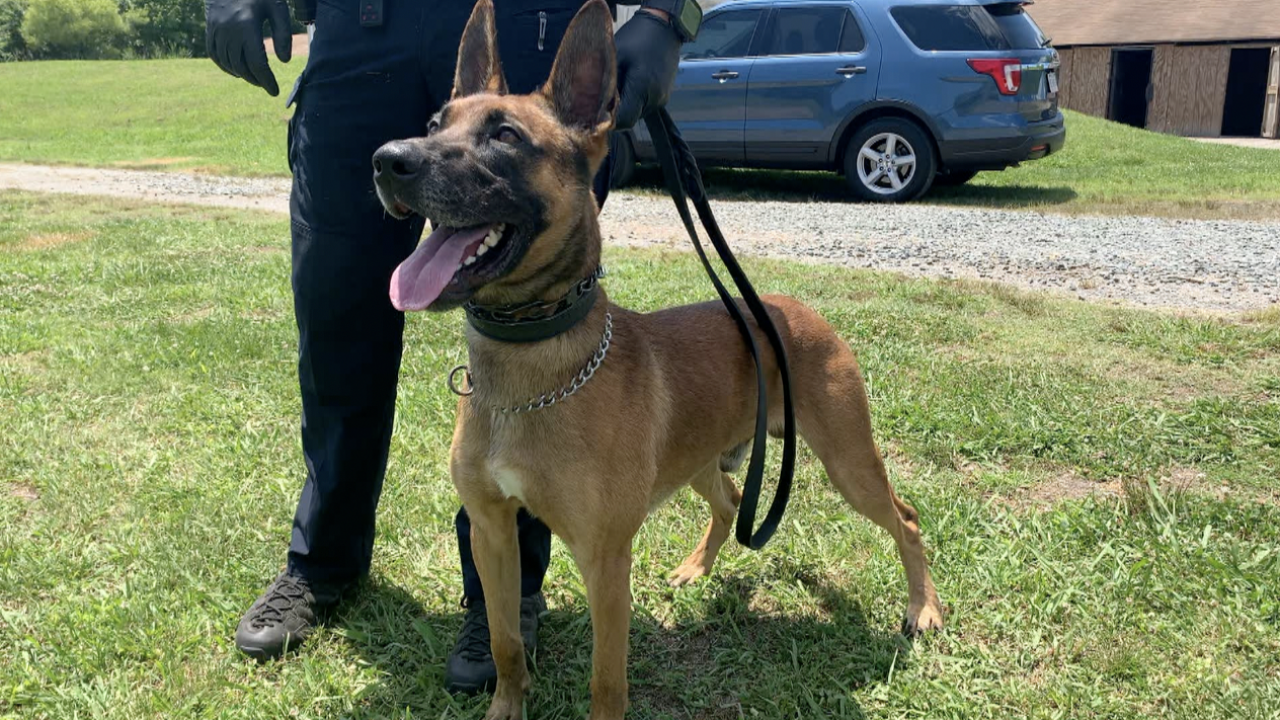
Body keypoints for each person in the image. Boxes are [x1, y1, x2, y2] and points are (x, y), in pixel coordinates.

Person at [203, 0, 699, 695]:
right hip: (360, 27)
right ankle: (322, 563)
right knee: (339, 318)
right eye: (441, 125)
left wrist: (669, 11)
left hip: (537, 16)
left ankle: (510, 594)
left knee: (536, 298)